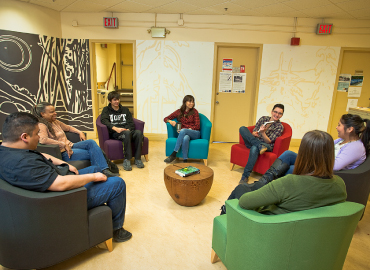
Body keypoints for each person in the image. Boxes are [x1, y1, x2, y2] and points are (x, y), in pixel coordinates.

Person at [0, 112, 132, 242]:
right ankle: (116, 230)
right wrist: (93, 177)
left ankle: (104, 176)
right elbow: (61, 184)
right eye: (36, 134)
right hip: (66, 197)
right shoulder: (23, 163)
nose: (39, 137)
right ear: (24, 137)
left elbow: (42, 155)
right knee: (118, 183)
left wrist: (63, 163)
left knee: (98, 168)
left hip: (61, 179)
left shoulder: (9, 150)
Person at [222, 130, 347, 215]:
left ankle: (222, 219)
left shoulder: (289, 182)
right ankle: (261, 183)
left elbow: (245, 202)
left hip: (271, 225)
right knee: (287, 159)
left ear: (303, 154)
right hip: (305, 230)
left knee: (241, 188)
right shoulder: (340, 184)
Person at [245, 113, 370, 192]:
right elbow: (325, 150)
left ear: (350, 129)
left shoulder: (355, 147)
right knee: (288, 154)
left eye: (339, 125)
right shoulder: (341, 140)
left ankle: (273, 189)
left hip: (326, 170)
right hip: (319, 163)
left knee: (291, 169)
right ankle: (264, 182)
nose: (337, 127)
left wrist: (313, 158)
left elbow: (334, 166)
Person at [32, 102, 118, 178]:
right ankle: (104, 170)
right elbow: (43, 140)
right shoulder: (41, 125)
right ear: (42, 114)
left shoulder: (55, 122)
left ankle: (104, 170)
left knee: (91, 142)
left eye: (55, 111)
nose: (55, 113)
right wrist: (63, 144)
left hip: (71, 145)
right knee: (94, 152)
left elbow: (68, 128)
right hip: (64, 152)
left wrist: (79, 132)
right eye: (52, 112)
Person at [238, 104, 285, 184]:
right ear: (272, 111)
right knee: (242, 128)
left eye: (279, 113)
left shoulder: (279, 127)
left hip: (266, 146)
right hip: (255, 141)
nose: (277, 115)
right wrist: (253, 133)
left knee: (254, 148)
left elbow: (269, 141)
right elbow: (255, 131)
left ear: (282, 115)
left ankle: (245, 176)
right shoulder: (263, 119)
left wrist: (263, 133)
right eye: (275, 112)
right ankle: (259, 145)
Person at [100, 91, 144, 171]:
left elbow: (131, 122)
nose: (117, 101)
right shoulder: (106, 110)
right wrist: (115, 128)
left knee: (138, 133)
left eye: (118, 99)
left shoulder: (125, 110)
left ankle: (138, 159)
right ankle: (127, 159)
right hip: (115, 133)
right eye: (114, 100)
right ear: (110, 101)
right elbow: (104, 121)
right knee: (127, 133)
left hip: (126, 131)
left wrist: (128, 129)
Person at [163, 95, 200, 163]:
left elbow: (197, 126)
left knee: (183, 130)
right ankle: (185, 160)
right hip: (184, 134)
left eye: (193, 102)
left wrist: (188, 129)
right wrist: (170, 121)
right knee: (185, 138)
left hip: (195, 133)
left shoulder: (195, 112)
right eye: (190, 101)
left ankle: (174, 153)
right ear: (185, 102)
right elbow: (165, 118)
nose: (192, 103)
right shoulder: (179, 112)